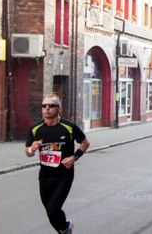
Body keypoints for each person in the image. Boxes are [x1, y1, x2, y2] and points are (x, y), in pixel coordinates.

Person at [25, 94, 90, 234]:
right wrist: (31, 149)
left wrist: (74, 157)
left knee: (53, 209)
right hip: (44, 176)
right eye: (44, 106)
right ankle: (65, 228)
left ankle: (64, 230)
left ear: (59, 109)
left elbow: (85, 143)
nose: (46, 108)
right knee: (50, 212)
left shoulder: (69, 127)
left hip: (64, 176)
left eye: (51, 105)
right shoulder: (35, 128)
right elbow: (28, 152)